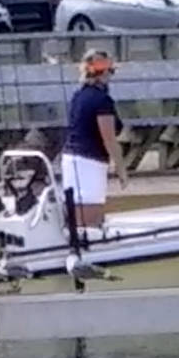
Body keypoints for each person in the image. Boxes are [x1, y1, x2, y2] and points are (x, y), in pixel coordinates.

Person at [60, 49, 124, 237]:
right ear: (104, 72)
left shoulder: (78, 96)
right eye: (111, 71)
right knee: (90, 220)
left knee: (77, 215)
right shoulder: (102, 100)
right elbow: (109, 138)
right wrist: (121, 169)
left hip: (71, 158)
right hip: (89, 163)